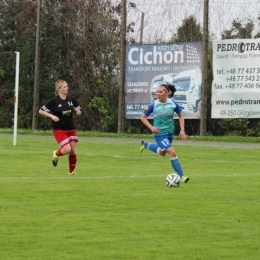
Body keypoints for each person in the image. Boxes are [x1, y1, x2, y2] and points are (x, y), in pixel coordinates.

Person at [140, 83, 189, 183]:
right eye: (157, 92)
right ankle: (182, 176)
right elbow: (143, 117)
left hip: (169, 133)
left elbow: (181, 116)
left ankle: (146, 145)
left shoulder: (173, 103)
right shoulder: (153, 105)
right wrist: (151, 128)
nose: (158, 94)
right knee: (172, 152)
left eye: (160, 92)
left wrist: (182, 130)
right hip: (159, 134)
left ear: (166, 93)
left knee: (163, 153)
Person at [39, 79, 82, 175]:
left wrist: (77, 111)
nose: (67, 88)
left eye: (67, 86)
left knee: (73, 151)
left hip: (70, 128)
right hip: (59, 129)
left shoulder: (72, 100)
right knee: (67, 149)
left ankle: (71, 172)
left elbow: (79, 111)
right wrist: (52, 116)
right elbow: (41, 111)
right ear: (59, 89)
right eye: (64, 87)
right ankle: (56, 153)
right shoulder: (54, 101)